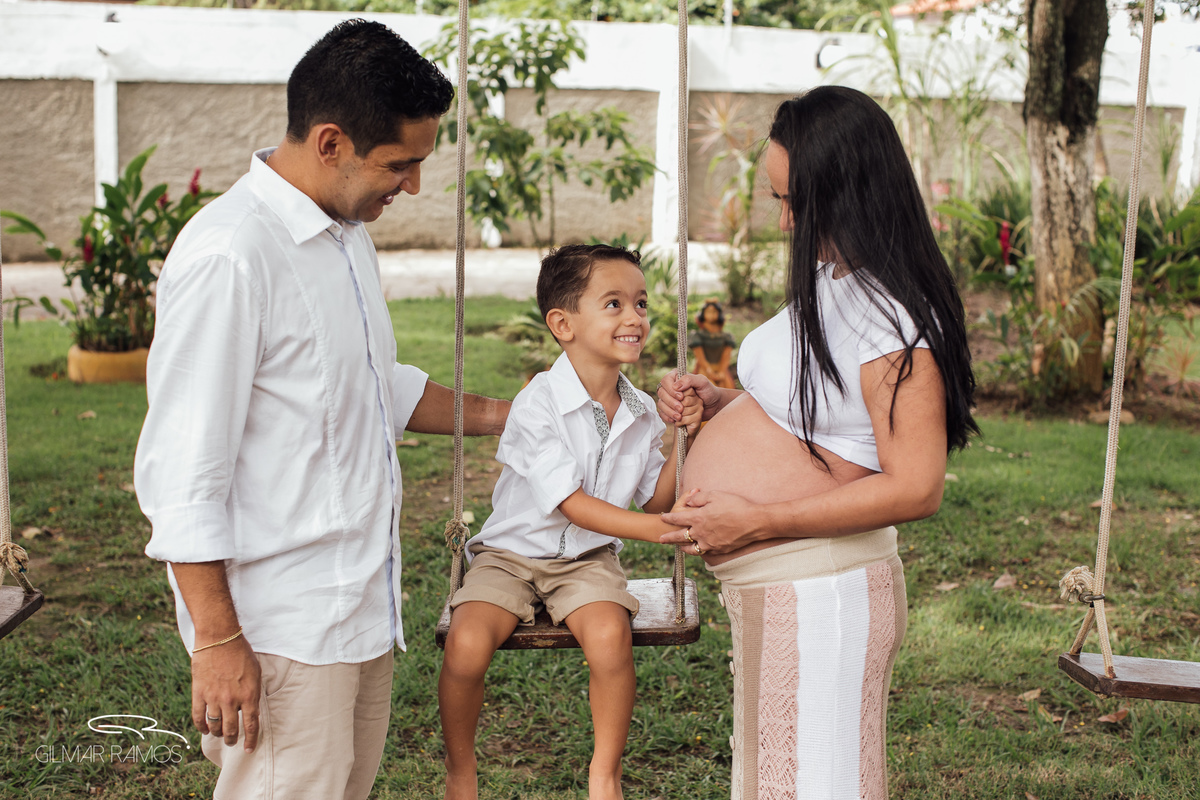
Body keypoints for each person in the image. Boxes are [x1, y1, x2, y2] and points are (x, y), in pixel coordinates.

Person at [134, 20, 510, 800]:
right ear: (331, 142)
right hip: (279, 631)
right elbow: (183, 473)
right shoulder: (232, 254)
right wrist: (218, 639)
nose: (411, 186)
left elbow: (373, 386)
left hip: (357, 610)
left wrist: (514, 413)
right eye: (399, 165)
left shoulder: (344, 232)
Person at [656, 86, 978, 799]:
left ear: (849, 191)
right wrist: (727, 405)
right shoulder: (839, 279)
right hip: (793, 592)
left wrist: (759, 518)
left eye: (794, 200)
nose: (785, 220)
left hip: (822, 592)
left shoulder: (891, 315)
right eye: (779, 197)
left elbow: (916, 485)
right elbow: (827, 418)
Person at [438, 244, 691, 800]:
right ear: (563, 323)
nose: (636, 317)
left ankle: (605, 773)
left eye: (642, 303)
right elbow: (571, 503)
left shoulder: (643, 411)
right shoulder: (538, 403)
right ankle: (461, 769)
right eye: (615, 303)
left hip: (586, 560)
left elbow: (654, 499)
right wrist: (658, 532)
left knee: (609, 638)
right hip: (509, 556)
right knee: (467, 644)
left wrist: (683, 441)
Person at [689, 298, 737, 389]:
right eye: (708, 312)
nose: (711, 315)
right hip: (704, 369)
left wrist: (722, 371)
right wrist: (709, 371)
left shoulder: (726, 336)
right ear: (703, 314)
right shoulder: (698, 335)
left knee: (727, 390)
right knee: (706, 388)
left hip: (721, 369)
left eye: (714, 312)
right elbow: (700, 357)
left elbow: (726, 356)